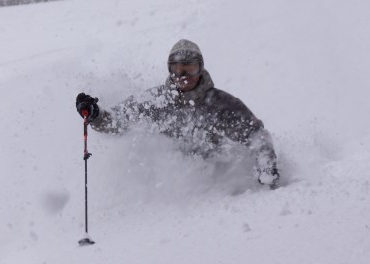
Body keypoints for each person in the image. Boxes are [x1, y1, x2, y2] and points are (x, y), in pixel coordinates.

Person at [76, 39, 280, 189]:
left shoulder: (221, 104)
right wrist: (96, 114)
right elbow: (117, 122)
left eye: (189, 70)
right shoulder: (156, 101)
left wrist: (266, 167)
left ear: (200, 69)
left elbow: (256, 135)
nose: (182, 77)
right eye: (176, 70)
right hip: (171, 185)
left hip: (214, 183)